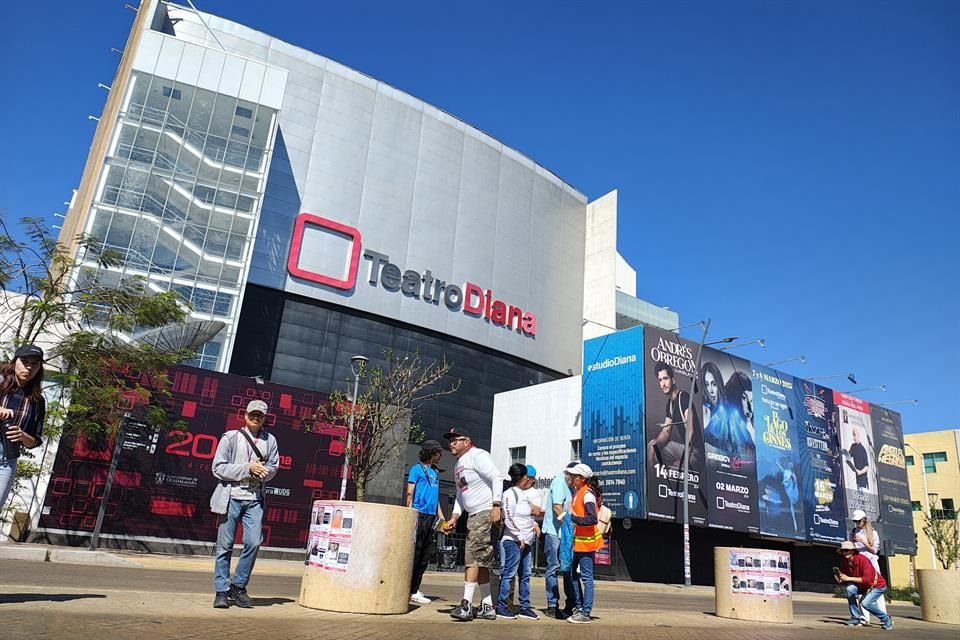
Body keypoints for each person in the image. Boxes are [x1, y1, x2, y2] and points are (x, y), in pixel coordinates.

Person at [210, 399, 280, 609]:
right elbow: (218, 468)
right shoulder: (230, 437)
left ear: (265, 418)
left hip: (255, 498)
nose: (256, 417)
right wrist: (247, 468)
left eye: (260, 415)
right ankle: (221, 590)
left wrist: (264, 472)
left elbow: (274, 467)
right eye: (253, 413)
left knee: (254, 542)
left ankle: (238, 586)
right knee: (225, 546)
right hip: (230, 496)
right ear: (245, 415)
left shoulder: (270, 440)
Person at [441, 427, 503, 621]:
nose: (451, 443)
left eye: (455, 439)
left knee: (472, 559)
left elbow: (496, 477)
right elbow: (461, 493)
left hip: (484, 513)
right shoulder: (459, 464)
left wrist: (496, 505)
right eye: (450, 440)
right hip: (474, 515)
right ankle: (487, 606)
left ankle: (466, 605)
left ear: (466, 441)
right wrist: (454, 517)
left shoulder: (478, 455)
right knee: (481, 562)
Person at [0, 345, 47, 511]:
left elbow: (35, 440)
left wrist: (22, 436)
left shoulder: (37, 401)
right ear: (14, 362)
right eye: (25, 361)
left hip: (7, 458)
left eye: (34, 363)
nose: (29, 367)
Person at [497, 463, 543, 620]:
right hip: (513, 541)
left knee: (525, 575)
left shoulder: (523, 494)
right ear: (523, 477)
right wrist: (518, 536)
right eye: (527, 476)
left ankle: (524, 606)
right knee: (508, 573)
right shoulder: (510, 494)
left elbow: (532, 514)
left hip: (526, 541)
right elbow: (508, 517)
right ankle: (502, 606)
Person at [560, 463, 603, 624]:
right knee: (571, 573)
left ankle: (585, 612)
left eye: (573, 476)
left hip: (586, 543)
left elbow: (592, 519)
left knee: (587, 578)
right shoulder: (579, 492)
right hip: (577, 542)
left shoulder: (587, 494)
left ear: (582, 479)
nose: (570, 478)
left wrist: (572, 518)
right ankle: (579, 607)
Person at [407, 439, 446, 605]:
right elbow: (410, 492)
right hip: (418, 514)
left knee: (425, 555)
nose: (440, 456)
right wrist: (409, 513)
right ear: (431, 453)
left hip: (431, 516)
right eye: (438, 453)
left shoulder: (436, 473)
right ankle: (409, 589)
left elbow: (435, 496)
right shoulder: (416, 469)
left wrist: (441, 515)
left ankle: (415, 589)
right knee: (415, 553)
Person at [646, 362, 699, 469]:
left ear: (673, 380)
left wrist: (684, 460)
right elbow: (666, 432)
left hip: (695, 452)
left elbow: (690, 431)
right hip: (684, 447)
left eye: (665, 378)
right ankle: (651, 479)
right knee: (652, 445)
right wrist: (654, 446)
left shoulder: (683, 397)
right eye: (660, 380)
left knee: (677, 467)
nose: (663, 384)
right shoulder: (670, 404)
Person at [542, 461, 577, 619]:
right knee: (553, 567)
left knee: (567, 568)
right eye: (575, 476)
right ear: (568, 473)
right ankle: (552, 605)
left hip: (565, 534)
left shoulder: (571, 487)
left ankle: (570, 604)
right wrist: (568, 523)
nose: (576, 480)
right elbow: (557, 507)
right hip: (554, 532)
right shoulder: (559, 482)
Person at [834, 540, 893, 630]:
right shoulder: (845, 562)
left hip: (877, 585)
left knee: (865, 603)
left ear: (852, 551)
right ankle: (855, 617)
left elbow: (867, 579)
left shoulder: (862, 560)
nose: (844, 552)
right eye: (843, 551)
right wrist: (839, 578)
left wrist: (848, 578)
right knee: (850, 589)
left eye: (847, 550)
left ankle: (886, 619)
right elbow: (842, 576)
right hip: (863, 586)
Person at [850, 509, 887, 625]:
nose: (857, 523)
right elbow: (852, 548)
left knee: (877, 589)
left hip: (871, 563)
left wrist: (863, 541)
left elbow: (874, 550)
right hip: (860, 563)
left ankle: (883, 616)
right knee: (861, 589)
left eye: (859, 521)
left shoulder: (873, 533)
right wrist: (851, 541)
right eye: (855, 521)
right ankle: (864, 617)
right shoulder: (853, 531)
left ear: (864, 520)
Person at [701, 361, 723, 428]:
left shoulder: (726, 409)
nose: (711, 391)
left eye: (714, 384)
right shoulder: (703, 410)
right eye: (707, 385)